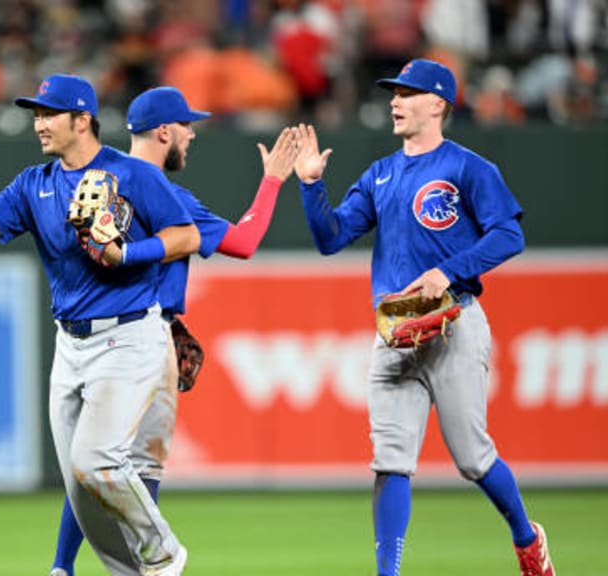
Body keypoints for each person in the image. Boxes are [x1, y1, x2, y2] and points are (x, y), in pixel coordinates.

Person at [0, 74, 197, 576]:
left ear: (82, 119)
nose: (39, 123)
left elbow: (186, 235)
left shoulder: (131, 173)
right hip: (69, 343)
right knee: (81, 487)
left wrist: (127, 252)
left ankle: (163, 552)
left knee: (96, 460)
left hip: (129, 334)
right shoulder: (35, 183)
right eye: (36, 114)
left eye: (49, 114)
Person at [291, 59, 556, 576]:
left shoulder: (468, 167)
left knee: (473, 458)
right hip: (394, 332)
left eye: (408, 93)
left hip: (454, 322)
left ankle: (527, 539)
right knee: (390, 459)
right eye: (393, 92)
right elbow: (330, 239)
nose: (395, 100)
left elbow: (509, 234)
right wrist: (310, 186)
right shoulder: (380, 173)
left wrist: (448, 270)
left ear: (438, 104)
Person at [48, 87, 298, 576]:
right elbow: (244, 241)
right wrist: (271, 182)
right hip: (139, 339)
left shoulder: (92, 178)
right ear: (165, 131)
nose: (192, 133)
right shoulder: (167, 195)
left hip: (84, 335)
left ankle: (62, 567)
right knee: (133, 468)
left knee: (94, 464)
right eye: (186, 125)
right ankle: (149, 567)